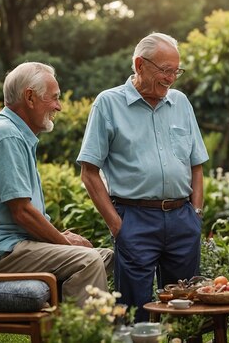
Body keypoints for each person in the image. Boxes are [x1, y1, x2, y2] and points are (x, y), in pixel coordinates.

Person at [77, 32, 209, 321]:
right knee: (134, 308)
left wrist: (195, 213)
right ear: (139, 65)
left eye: (176, 71)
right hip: (134, 218)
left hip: (181, 218)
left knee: (185, 309)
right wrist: (117, 225)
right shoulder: (108, 104)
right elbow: (89, 173)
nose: (171, 78)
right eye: (165, 70)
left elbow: (196, 165)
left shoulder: (181, 103)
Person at [0, 62, 114, 305]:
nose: (59, 106)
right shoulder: (7, 136)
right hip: (2, 253)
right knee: (88, 259)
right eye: (54, 98)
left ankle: (109, 324)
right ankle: (86, 332)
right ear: (30, 98)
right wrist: (64, 243)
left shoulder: (15, 134)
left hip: (14, 244)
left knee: (106, 256)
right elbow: (22, 213)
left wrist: (61, 240)